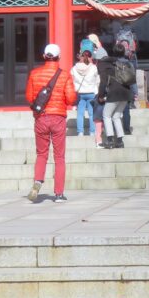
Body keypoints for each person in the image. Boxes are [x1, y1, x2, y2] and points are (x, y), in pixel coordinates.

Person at [24, 44, 77, 202]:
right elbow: (71, 99)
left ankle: (38, 181)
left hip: (41, 118)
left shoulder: (34, 74)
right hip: (58, 117)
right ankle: (59, 194)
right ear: (59, 57)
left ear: (44, 56)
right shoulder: (65, 75)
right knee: (59, 157)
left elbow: (29, 97)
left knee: (41, 154)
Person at [96, 42, 134, 149]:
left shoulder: (106, 64)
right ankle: (120, 141)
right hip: (126, 93)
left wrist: (100, 95)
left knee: (106, 115)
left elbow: (103, 82)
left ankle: (110, 140)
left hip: (114, 92)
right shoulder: (127, 64)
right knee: (116, 116)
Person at [70, 49, 100, 137]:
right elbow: (97, 81)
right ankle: (92, 132)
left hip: (80, 93)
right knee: (91, 113)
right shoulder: (93, 67)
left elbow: (72, 80)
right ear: (90, 57)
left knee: (80, 113)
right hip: (91, 92)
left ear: (81, 57)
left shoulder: (74, 68)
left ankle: (80, 132)